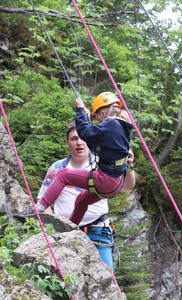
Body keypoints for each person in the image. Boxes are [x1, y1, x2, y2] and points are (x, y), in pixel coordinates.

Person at [15, 92, 134, 226]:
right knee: (81, 200)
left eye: (98, 119)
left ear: (104, 114)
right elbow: (93, 140)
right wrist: (86, 118)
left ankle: (38, 209)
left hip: (105, 180)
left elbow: (84, 133)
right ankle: (71, 229)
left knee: (63, 176)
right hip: (115, 183)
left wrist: (80, 110)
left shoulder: (112, 123)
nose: (99, 123)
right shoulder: (121, 128)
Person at [33, 121, 136, 270]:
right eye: (74, 139)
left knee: (107, 279)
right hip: (65, 232)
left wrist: (129, 166)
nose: (79, 143)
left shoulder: (105, 163)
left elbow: (127, 187)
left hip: (98, 231)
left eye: (82, 138)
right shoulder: (56, 168)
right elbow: (44, 202)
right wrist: (54, 227)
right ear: (67, 143)